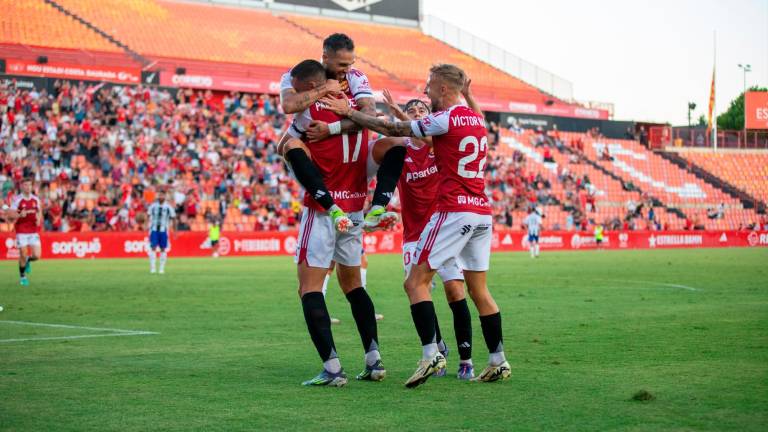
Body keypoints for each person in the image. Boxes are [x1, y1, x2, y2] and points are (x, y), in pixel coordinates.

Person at [322, 63, 510, 387]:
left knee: (414, 283)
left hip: (454, 210)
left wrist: (349, 113)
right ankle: (497, 360)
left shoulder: (445, 118)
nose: (426, 92)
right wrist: (469, 94)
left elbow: (395, 130)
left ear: (444, 90)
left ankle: (430, 354)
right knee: (479, 290)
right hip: (482, 212)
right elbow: (465, 117)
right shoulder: (476, 120)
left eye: (429, 86)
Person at [286, 60, 385, 387]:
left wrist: (298, 148)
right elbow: (383, 133)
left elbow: (284, 144)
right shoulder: (358, 109)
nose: (301, 96)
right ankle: (374, 361)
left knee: (308, 287)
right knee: (354, 285)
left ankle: (332, 369)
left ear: (311, 84)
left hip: (323, 209)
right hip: (356, 204)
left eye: (302, 89)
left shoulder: (308, 113)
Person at [371, 89, 478, 379]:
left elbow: (427, 135)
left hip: (445, 231)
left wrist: (400, 115)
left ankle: (466, 359)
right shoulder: (400, 151)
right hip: (414, 236)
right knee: (418, 291)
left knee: (455, 290)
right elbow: (382, 152)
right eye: (413, 111)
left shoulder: (439, 148)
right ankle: (438, 350)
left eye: (422, 111)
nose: (417, 114)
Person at [278, 33, 404, 233]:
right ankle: (331, 207)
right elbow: (288, 105)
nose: (347, 70)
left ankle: (376, 210)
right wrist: (324, 89)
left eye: (350, 63)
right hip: (324, 167)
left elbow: (369, 115)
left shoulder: (356, 77)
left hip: (356, 165)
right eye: (342, 65)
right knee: (288, 147)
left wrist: (332, 129)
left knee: (397, 143)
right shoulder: (298, 75)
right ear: (325, 57)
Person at [8, 178, 43, 286]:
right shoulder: (17, 200)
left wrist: (39, 219)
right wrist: (19, 215)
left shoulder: (35, 199)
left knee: (37, 256)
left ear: (32, 187)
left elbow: (39, 211)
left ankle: (28, 260)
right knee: (23, 254)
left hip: (33, 231)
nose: (28, 187)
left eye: (29, 185)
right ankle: (22, 276)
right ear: (22, 186)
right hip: (21, 230)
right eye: (26, 185)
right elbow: (10, 214)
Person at [146, 188, 176, 274]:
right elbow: (148, 215)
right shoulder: (153, 206)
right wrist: (146, 225)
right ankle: (153, 268)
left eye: (162, 195)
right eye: (160, 195)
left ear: (165, 197)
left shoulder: (168, 207)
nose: (161, 196)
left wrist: (174, 230)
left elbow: (174, 218)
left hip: (163, 231)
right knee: (153, 248)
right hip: (154, 230)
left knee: (163, 249)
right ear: (158, 196)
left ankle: (161, 268)